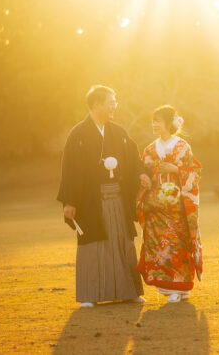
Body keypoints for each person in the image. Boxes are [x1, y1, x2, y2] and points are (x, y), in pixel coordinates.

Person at [57, 85, 150, 308]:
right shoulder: (78, 134)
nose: (114, 106)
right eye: (111, 102)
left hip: (117, 198)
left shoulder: (118, 132)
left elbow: (134, 157)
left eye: (114, 102)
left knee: (122, 241)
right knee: (92, 245)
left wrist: (142, 173)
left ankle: (129, 291)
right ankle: (90, 294)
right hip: (90, 201)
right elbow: (70, 169)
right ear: (97, 105)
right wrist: (70, 201)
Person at [136, 105, 203, 303]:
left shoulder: (182, 146)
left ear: (169, 123)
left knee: (178, 245)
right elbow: (143, 172)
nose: (154, 125)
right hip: (155, 207)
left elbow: (194, 172)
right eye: (153, 121)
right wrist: (143, 178)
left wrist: (176, 169)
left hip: (178, 206)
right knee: (159, 246)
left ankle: (180, 287)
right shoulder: (149, 149)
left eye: (158, 121)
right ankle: (167, 286)